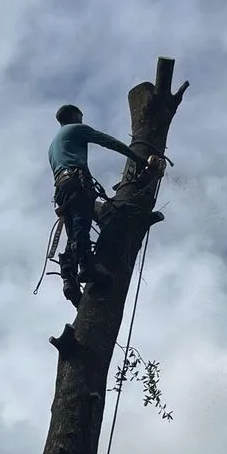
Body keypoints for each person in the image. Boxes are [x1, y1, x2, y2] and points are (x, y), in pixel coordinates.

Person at [48, 104, 150, 307]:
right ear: (76, 116)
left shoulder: (53, 146)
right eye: (81, 116)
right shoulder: (76, 129)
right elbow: (107, 141)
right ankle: (87, 268)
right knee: (81, 225)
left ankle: (69, 280)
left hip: (61, 189)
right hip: (77, 182)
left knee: (73, 234)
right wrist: (137, 158)